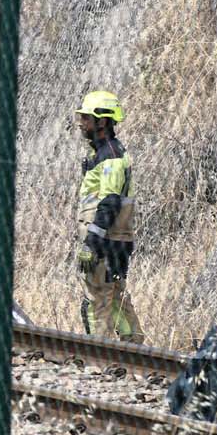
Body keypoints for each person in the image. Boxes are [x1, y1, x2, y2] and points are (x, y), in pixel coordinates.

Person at [74, 90, 144, 343]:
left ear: (102, 122)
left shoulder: (110, 157)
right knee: (116, 296)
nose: (82, 123)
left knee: (97, 301)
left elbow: (109, 202)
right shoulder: (108, 153)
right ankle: (134, 348)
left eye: (87, 118)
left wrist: (91, 244)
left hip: (105, 241)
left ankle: (99, 357)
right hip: (115, 239)